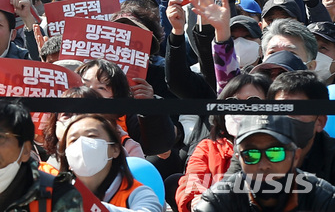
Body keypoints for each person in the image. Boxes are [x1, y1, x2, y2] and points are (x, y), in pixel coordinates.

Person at [193, 115, 335, 211]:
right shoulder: (218, 201)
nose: (263, 165)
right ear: (238, 158)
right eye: (251, 155)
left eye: (275, 153)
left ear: (296, 156)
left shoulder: (322, 198)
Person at [175, 73, 271, 212]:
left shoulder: (282, 148)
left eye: (253, 101)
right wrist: (198, 200)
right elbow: (193, 181)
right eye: (233, 102)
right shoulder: (208, 148)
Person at [59, 114, 162, 211]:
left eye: (91, 136)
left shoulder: (140, 194)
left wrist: (87, 204)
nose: (81, 145)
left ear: (115, 149)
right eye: (73, 140)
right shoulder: (55, 193)